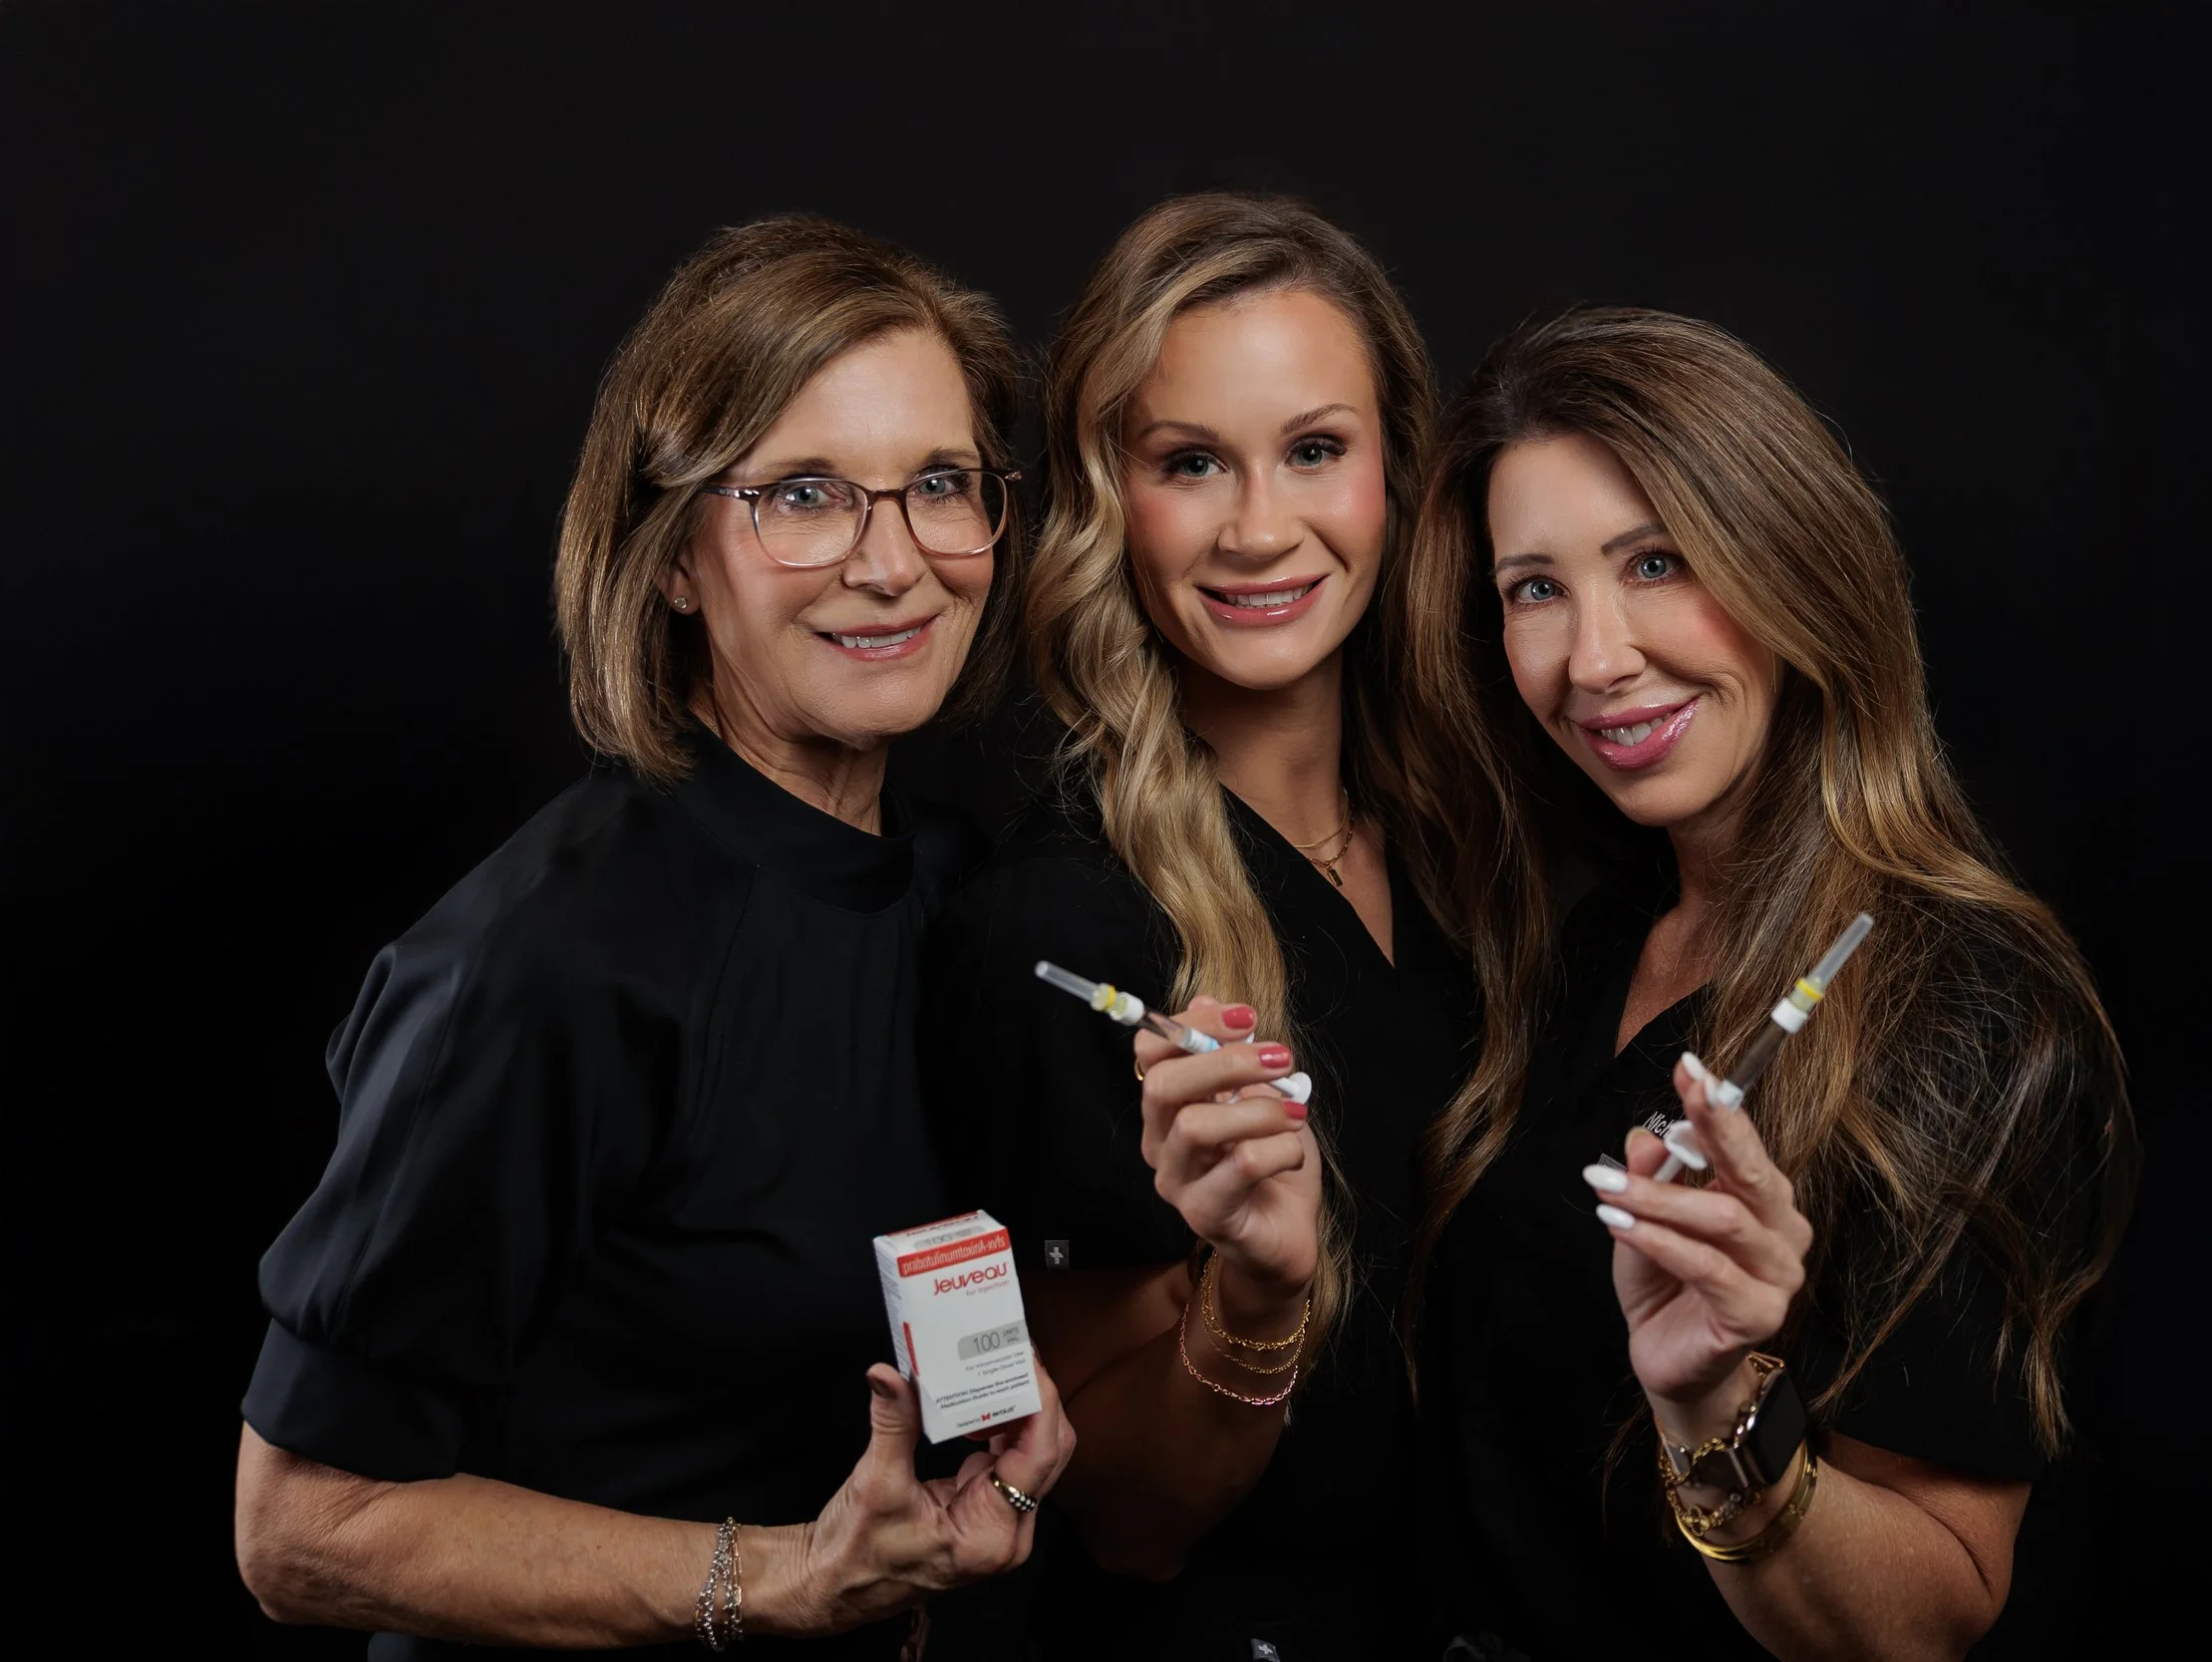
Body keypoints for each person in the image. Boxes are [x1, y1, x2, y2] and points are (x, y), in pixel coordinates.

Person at [232, 216, 1075, 1660]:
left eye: (940, 483)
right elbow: (302, 1525)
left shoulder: (963, 889)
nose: (893, 563)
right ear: (675, 555)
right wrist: (790, 1577)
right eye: (803, 494)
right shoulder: (543, 960)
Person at [1410, 308, 2139, 1660]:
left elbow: (1926, 1617)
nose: (1596, 656)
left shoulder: (1967, 1007)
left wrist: (1715, 1403)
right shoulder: (1588, 946)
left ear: (1793, 559)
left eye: (1658, 561)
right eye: (1534, 588)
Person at [920, 195, 1536, 1660]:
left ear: (1399, 467)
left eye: (1315, 449)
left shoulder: (1482, 848)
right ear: (1106, 498)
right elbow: (1129, 1518)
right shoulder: (1058, 926)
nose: (1262, 528)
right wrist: (1253, 1293)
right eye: (1190, 463)